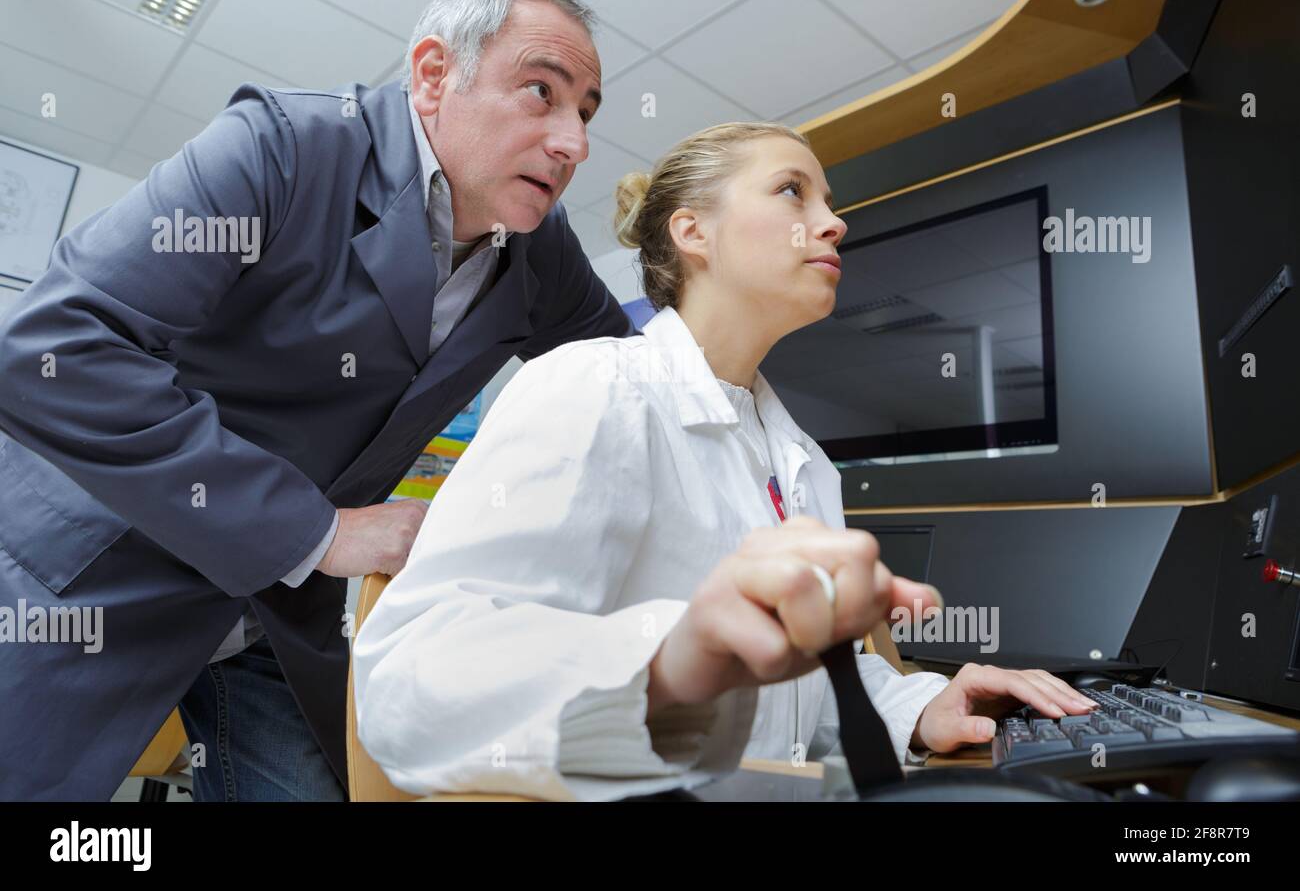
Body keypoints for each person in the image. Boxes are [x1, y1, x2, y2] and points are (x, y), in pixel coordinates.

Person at [0, 0, 634, 800]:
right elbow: (55, 348)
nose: (572, 143)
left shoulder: (541, 254)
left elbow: (635, 386)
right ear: (435, 74)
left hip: (272, 616)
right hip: (107, 569)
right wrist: (318, 532)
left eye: (584, 113)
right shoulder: (284, 146)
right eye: (541, 93)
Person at [352, 121, 1099, 800]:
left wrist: (919, 702)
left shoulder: (801, 459)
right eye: (790, 190)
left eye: (827, 200)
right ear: (692, 231)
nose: (834, 222)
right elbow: (412, 678)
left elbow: (803, 690)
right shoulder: (594, 388)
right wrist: (671, 658)